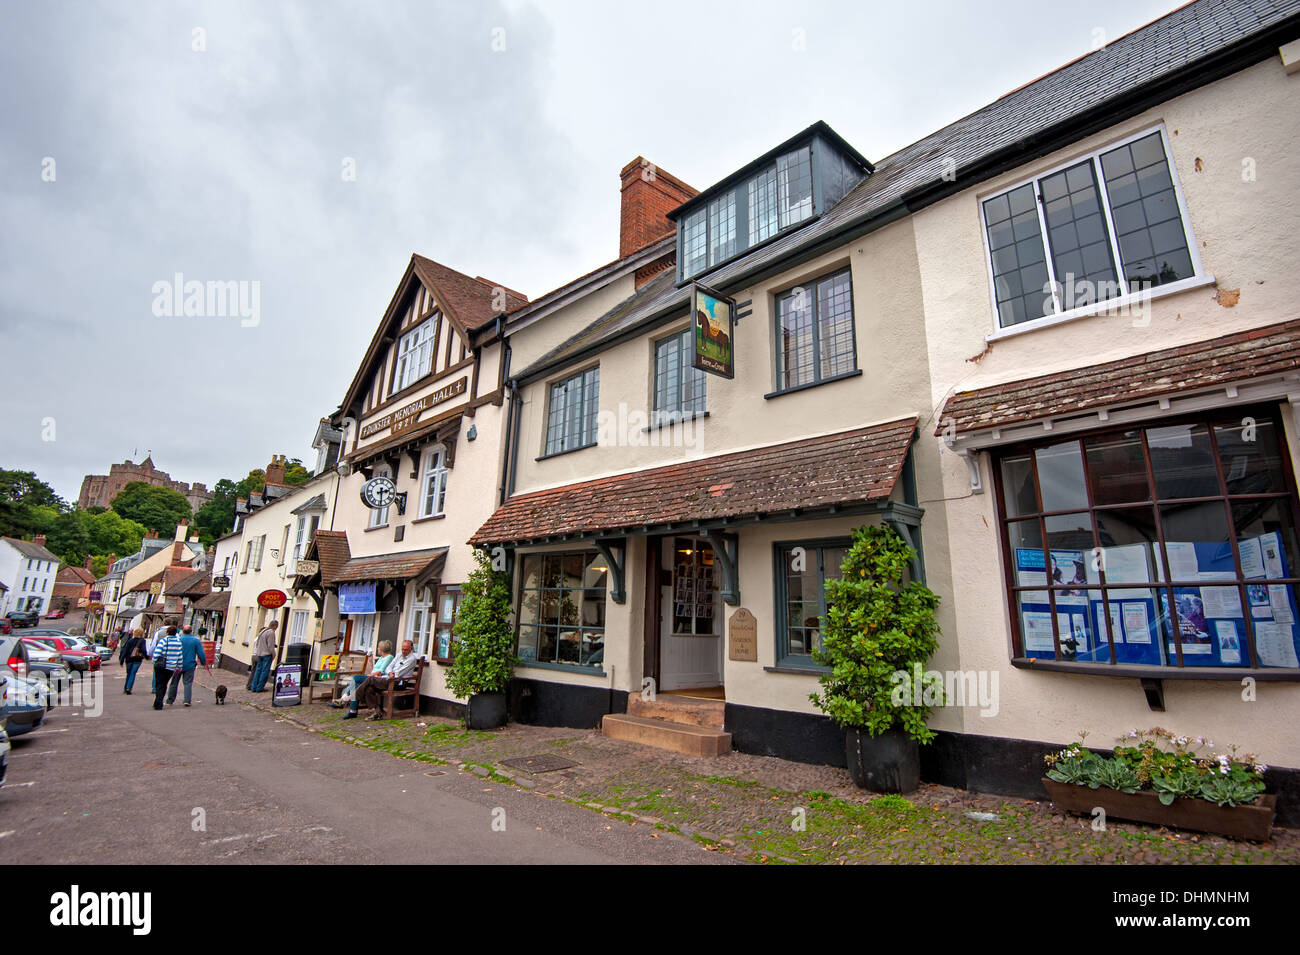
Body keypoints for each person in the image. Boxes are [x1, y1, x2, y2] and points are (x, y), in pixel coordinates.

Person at [343, 640, 420, 721]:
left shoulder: (411, 659)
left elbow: (399, 673)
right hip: (388, 678)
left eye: (406, 649)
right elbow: (389, 667)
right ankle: (377, 713)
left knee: (369, 679)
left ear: (411, 649)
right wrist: (390, 672)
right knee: (369, 688)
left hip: (398, 683)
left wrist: (390, 674)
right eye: (402, 649)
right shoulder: (399, 655)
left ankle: (351, 697)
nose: (403, 651)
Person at [329, 640, 394, 708]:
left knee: (356, 678)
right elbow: (374, 670)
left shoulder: (389, 657)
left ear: (382, 649)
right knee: (356, 685)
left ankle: (343, 700)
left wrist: (370, 675)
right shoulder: (381, 658)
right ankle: (347, 706)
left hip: (377, 679)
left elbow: (381, 671)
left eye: (378, 647)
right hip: (372, 677)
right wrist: (370, 661)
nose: (377, 649)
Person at [166, 626, 208, 707]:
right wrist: (203, 662)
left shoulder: (178, 639)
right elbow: (201, 653)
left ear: (183, 631)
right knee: (188, 683)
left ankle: (170, 700)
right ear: (191, 631)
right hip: (189, 665)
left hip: (177, 665)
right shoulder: (196, 641)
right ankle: (187, 700)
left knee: (174, 683)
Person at [152, 625, 184, 710]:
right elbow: (180, 656)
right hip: (171, 667)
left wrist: (154, 661)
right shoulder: (178, 642)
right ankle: (159, 701)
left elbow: (157, 653)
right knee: (164, 684)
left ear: (167, 633)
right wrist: (179, 667)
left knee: (159, 684)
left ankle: (158, 702)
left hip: (161, 665)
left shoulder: (163, 641)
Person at [148, 617, 178, 693]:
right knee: (167, 673)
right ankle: (162, 687)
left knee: (157, 673)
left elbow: (153, 645)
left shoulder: (158, 632)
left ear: (164, 623)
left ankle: (155, 688)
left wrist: (150, 654)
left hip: (160, 656)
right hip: (171, 657)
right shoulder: (176, 634)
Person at [250, 620, 278, 692]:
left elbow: (257, 643)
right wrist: (274, 654)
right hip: (266, 655)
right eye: (276, 626)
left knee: (258, 671)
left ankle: (253, 687)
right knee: (264, 672)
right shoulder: (271, 632)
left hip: (259, 654)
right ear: (274, 626)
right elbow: (270, 646)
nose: (276, 628)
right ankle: (260, 687)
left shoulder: (262, 631)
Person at [121, 627, 147, 694]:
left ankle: (125, 687)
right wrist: (146, 657)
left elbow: (125, 650)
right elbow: (144, 650)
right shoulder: (142, 641)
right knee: (133, 673)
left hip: (129, 659)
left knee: (128, 673)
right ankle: (129, 688)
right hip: (137, 659)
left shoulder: (130, 640)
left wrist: (121, 660)